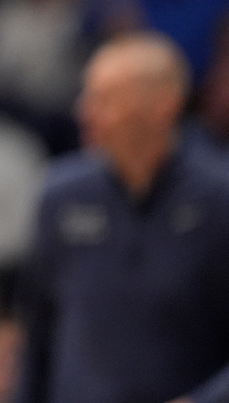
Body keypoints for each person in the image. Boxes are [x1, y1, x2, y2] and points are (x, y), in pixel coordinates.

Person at [12, 32, 229, 403]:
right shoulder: (60, 195)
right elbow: (38, 337)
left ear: (165, 105)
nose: (84, 111)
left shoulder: (218, 196)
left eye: (105, 98)